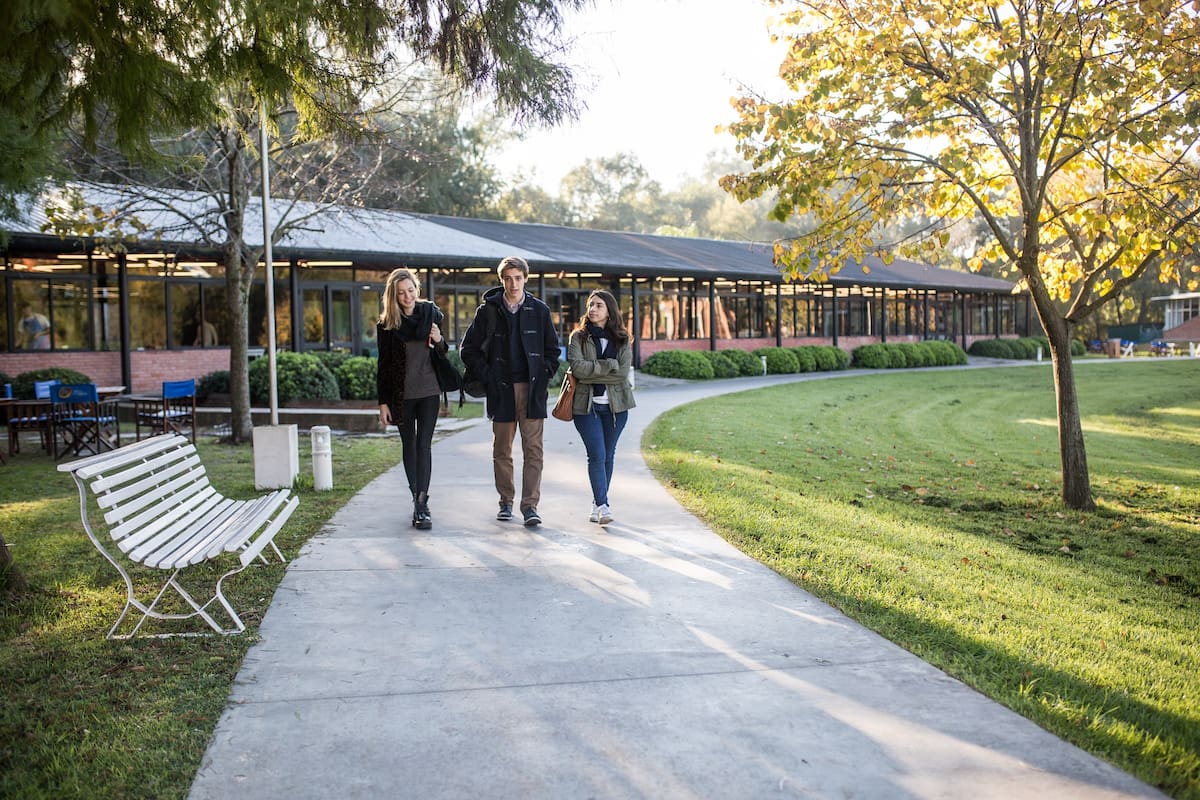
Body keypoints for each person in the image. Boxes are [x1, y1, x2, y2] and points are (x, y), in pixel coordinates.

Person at [460, 256, 560, 527]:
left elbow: (553, 351)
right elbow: (467, 350)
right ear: (502, 280)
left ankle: (530, 506)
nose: (513, 283)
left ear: (526, 279)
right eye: (508, 278)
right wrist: (489, 376)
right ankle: (505, 502)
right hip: (501, 389)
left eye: (518, 278)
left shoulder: (539, 310)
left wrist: (545, 373)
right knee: (502, 449)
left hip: (532, 390)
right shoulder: (488, 311)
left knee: (534, 450)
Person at [376, 268, 449, 530]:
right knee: (409, 445)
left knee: (424, 446)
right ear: (393, 296)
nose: (407, 296)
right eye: (401, 293)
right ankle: (416, 500)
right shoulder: (387, 325)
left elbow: (442, 351)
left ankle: (422, 503)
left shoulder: (432, 313)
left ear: (416, 289)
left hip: (429, 392)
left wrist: (440, 340)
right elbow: (383, 366)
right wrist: (382, 402)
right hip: (401, 395)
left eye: (410, 290)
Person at [565, 290, 636, 525]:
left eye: (598, 305)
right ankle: (604, 506)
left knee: (608, 456)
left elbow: (623, 374)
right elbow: (577, 369)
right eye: (590, 305)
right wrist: (609, 366)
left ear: (610, 311)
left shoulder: (623, 338)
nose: (593, 309)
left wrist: (593, 371)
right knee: (597, 454)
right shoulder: (579, 337)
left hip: (617, 409)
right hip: (587, 408)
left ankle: (598, 502)